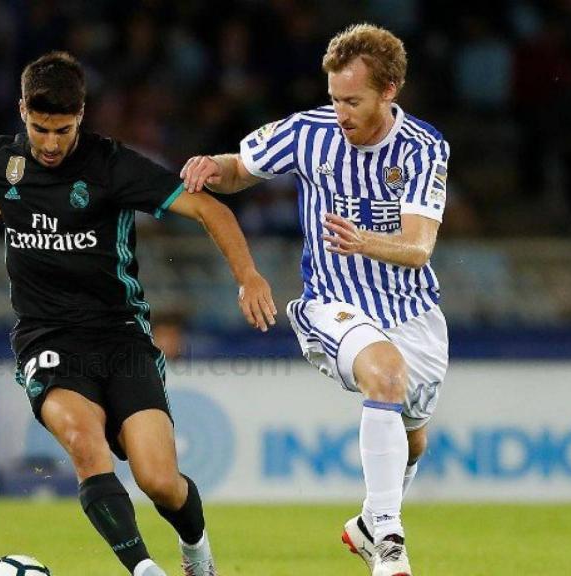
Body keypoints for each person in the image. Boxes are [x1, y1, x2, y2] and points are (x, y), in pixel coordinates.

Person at [0, 51, 277, 576]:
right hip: (47, 336)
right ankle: (144, 570)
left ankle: (197, 553)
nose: (53, 143)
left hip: (122, 337)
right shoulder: (2, 161)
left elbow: (210, 208)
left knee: (159, 480)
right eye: (41, 129)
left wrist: (248, 275)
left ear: (81, 115)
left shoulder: (111, 166)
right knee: (84, 444)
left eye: (64, 129)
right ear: (22, 112)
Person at [180, 23, 449, 576]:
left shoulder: (424, 148)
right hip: (331, 302)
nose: (341, 112)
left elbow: (420, 247)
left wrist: (364, 240)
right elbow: (240, 169)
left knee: (414, 440)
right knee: (385, 373)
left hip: (412, 310)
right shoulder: (308, 132)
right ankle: (390, 541)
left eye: (353, 101)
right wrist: (213, 166)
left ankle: (369, 525)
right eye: (334, 99)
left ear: (389, 90)